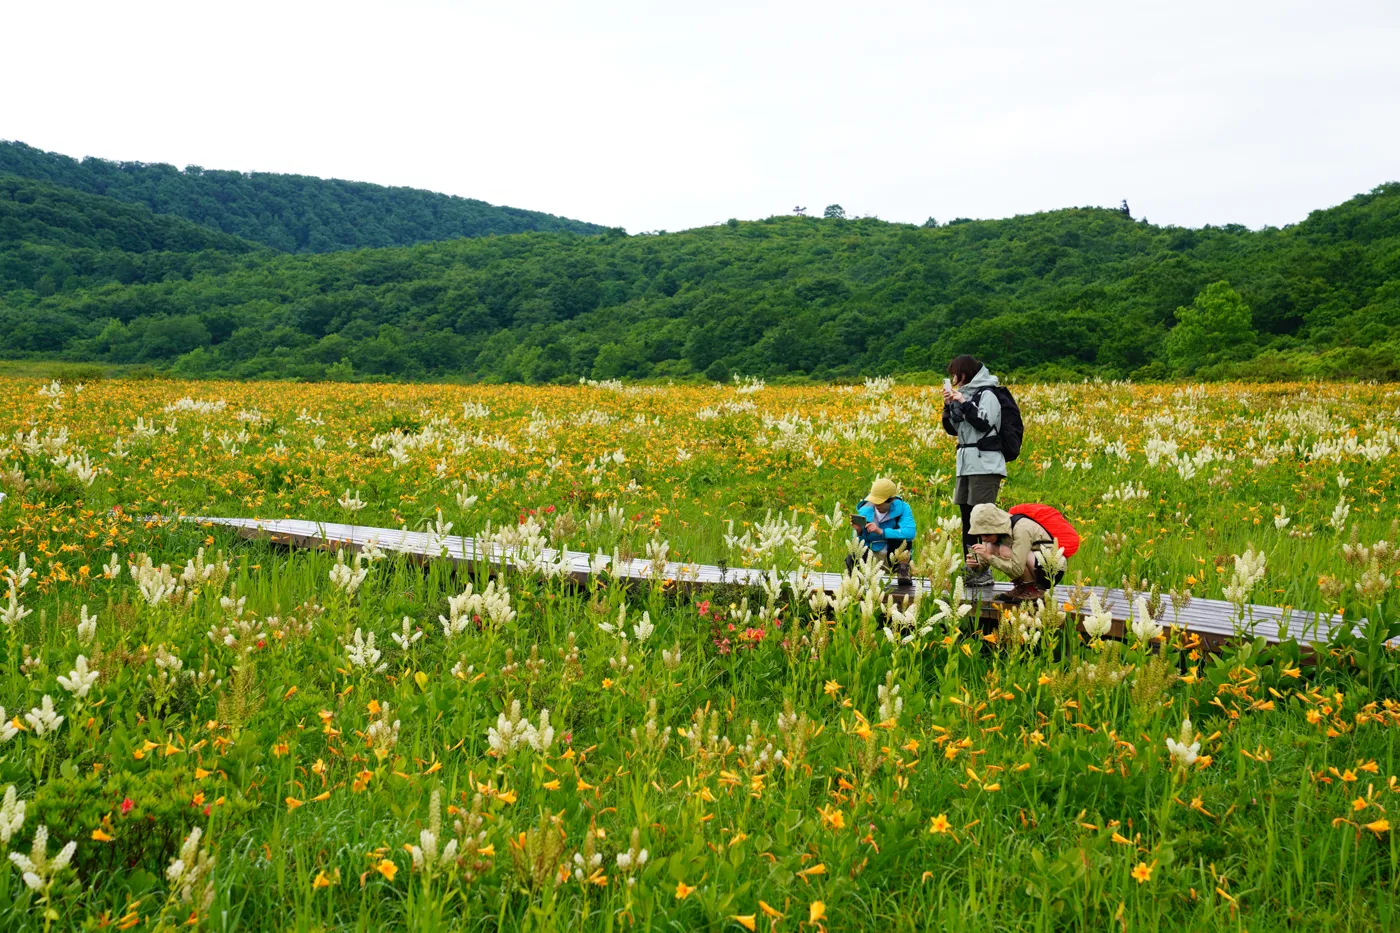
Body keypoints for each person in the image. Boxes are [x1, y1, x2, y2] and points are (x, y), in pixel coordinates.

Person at [941, 355, 1005, 588]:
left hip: (985, 465)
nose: (953, 379)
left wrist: (964, 402)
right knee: (968, 521)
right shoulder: (965, 395)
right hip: (966, 464)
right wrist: (949, 406)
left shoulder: (988, 393)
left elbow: (984, 423)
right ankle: (971, 568)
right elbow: (952, 429)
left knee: (983, 521)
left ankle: (984, 571)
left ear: (964, 373)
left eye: (955, 374)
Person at [965, 503, 1066, 602]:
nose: (984, 538)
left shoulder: (1021, 528)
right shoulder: (992, 535)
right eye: (979, 534)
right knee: (992, 547)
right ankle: (1021, 587)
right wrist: (975, 566)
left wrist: (989, 557)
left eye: (987, 534)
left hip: (1052, 569)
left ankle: (1032, 589)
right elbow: (982, 568)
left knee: (1003, 551)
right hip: (1033, 564)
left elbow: (1017, 569)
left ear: (996, 527)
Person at [848, 477, 916, 585]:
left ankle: (903, 573)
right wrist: (859, 532)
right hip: (872, 557)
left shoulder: (903, 508)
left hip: (895, 557)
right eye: (874, 501)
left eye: (880, 502)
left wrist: (882, 532)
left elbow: (910, 532)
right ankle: (854, 581)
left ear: (891, 500)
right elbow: (859, 543)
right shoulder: (864, 511)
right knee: (853, 550)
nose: (876, 505)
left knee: (905, 540)